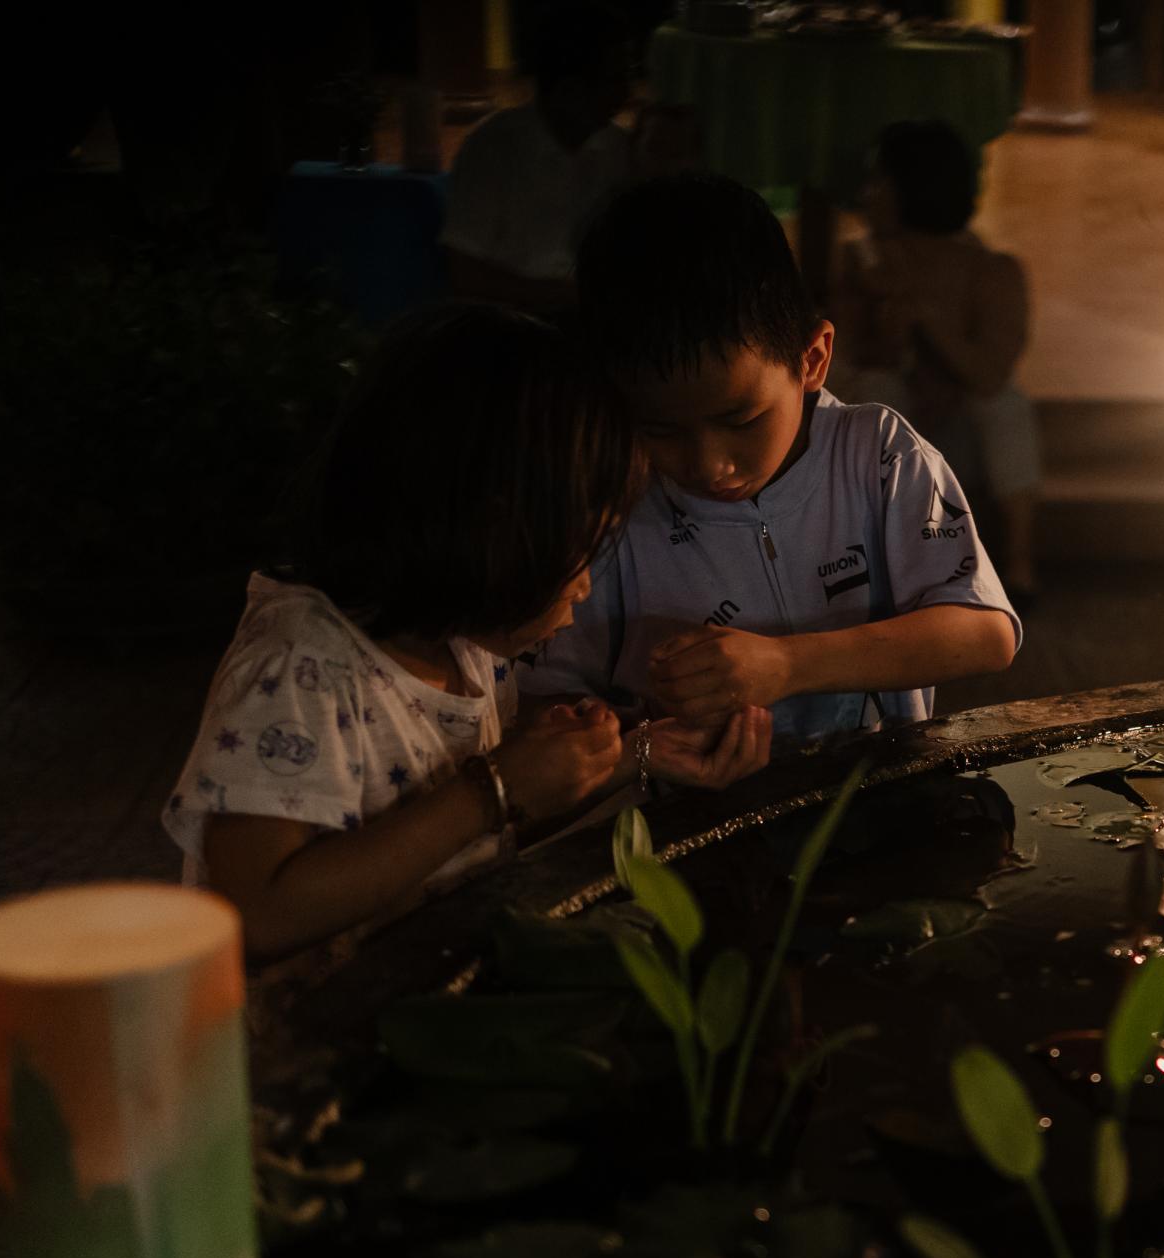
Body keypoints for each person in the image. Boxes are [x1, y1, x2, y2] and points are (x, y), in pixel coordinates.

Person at [163, 304, 770, 963]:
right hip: (306, 1051)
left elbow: (465, 832)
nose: (585, 586)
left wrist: (635, 755)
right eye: (580, 554)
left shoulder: (465, 649)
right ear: (498, 528)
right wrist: (494, 790)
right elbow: (256, 912)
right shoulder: (301, 664)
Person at [525, 173, 1020, 744]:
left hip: (881, 803)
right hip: (695, 822)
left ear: (812, 359)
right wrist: (636, 738)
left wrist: (789, 665)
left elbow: (984, 633)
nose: (710, 465)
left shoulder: (877, 455)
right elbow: (547, 701)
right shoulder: (614, 508)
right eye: (659, 429)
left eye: (741, 420)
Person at [831, 120, 1043, 600]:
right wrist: (891, 323)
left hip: (963, 424)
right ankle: (894, 563)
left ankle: (1020, 564)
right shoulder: (861, 262)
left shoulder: (994, 271)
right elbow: (852, 360)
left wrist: (925, 315)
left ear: (909, 187)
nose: (866, 195)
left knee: (1006, 406)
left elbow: (989, 375)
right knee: (879, 396)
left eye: (877, 180)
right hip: (890, 429)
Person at [441, 1, 639, 311]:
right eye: (615, 79)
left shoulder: (619, 150)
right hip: (510, 328)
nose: (628, 94)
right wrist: (570, 298)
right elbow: (464, 275)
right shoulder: (493, 150)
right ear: (569, 90)